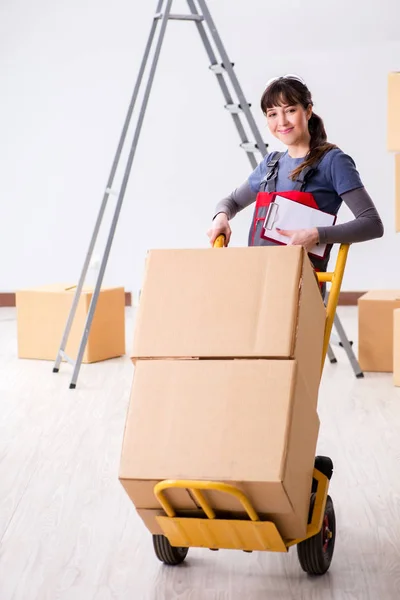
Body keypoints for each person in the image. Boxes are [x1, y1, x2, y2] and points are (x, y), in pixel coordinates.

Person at [207, 75, 384, 274]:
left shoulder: (333, 161)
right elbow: (231, 202)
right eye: (272, 114)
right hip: (260, 279)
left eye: (290, 110)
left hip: (301, 287)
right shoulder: (270, 164)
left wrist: (316, 234)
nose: (282, 121)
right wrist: (220, 217)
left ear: (308, 111)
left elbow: (372, 223)